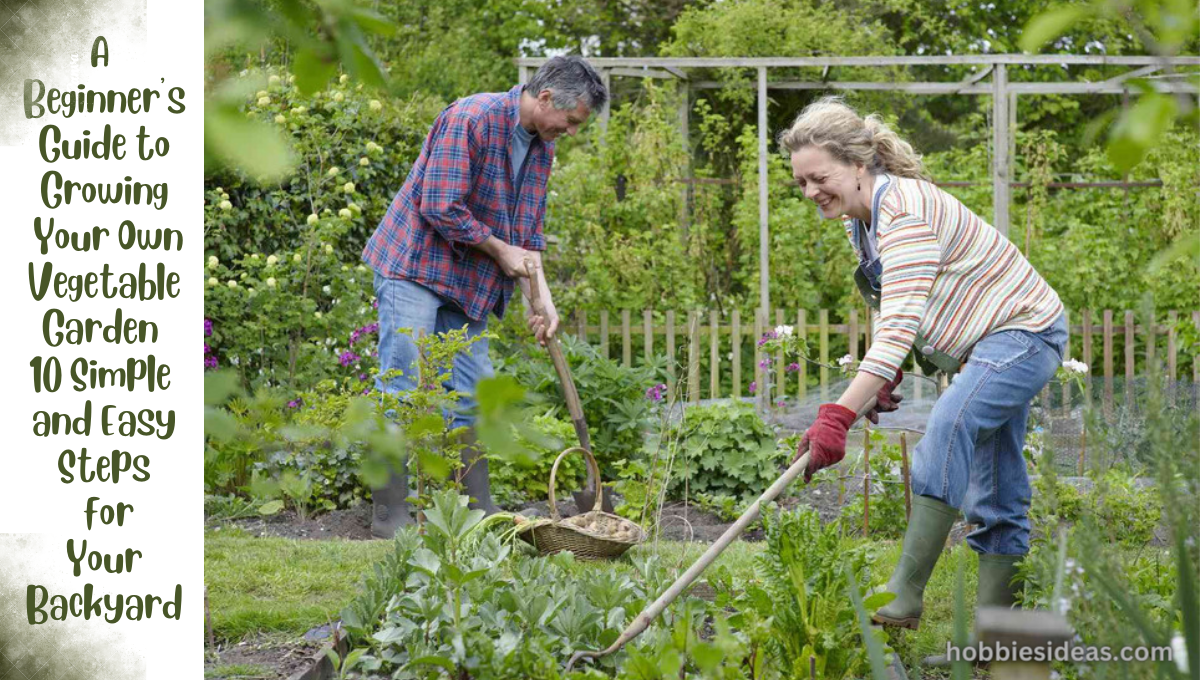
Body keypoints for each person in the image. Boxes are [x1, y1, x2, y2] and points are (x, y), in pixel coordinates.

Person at [780, 97, 1068, 628]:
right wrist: (884, 375)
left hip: (1024, 333)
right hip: (984, 347)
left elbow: (895, 329)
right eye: (800, 183)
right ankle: (1000, 639)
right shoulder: (861, 222)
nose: (810, 192)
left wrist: (838, 415)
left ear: (858, 165)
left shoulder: (904, 213)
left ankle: (905, 596)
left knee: (948, 427)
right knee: (998, 487)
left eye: (818, 177)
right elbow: (895, 306)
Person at [362, 56, 608, 538]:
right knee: (405, 388)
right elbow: (439, 204)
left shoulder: (541, 149)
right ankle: (389, 515)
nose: (572, 131)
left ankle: (473, 510)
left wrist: (544, 300)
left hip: (467, 284)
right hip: (415, 266)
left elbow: (527, 232)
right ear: (544, 99)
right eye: (571, 120)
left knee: (473, 394)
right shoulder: (471, 120)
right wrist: (500, 250)